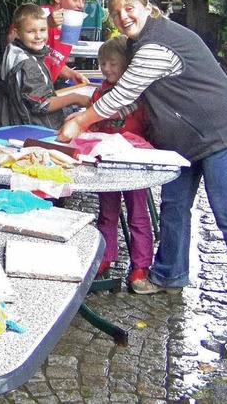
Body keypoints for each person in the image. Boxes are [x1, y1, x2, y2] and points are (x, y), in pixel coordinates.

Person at [58, 0, 227, 307]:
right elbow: (138, 100)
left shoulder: (155, 44)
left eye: (129, 8)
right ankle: (169, 273)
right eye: (116, 13)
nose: (123, 16)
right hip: (183, 139)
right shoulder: (137, 43)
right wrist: (87, 111)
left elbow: (125, 93)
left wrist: (81, 121)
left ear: (147, 7)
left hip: (220, 130)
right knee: (173, 205)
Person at [89, 35, 153, 288]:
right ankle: (105, 256)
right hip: (107, 161)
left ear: (126, 66)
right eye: (103, 64)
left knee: (138, 214)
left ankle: (140, 265)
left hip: (135, 162)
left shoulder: (140, 95)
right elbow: (92, 125)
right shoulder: (99, 92)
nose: (107, 69)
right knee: (107, 212)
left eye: (113, 64)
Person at [0, 2, 91, 129]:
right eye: (31, 31)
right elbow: (43, 104)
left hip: (21, 125)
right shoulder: (27, 64)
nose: (38, 36)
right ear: (17, 33)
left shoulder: (15, 52)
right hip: (35, 130)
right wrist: (75, 98)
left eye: (43, 30)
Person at [42, 0, 92, 85]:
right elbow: (12, 37)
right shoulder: (40, 14)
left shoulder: (70, 24)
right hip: (25, 92)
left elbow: (55, 60)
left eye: (83, 0)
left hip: (44, 90)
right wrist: (46, 24)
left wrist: (71, 74)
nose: (81, 5)